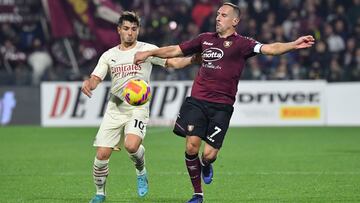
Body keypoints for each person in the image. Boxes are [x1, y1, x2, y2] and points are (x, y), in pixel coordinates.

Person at [134, 3, 315, 203]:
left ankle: (207, 164)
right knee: (191, 147)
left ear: (235, 21)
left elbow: (270, 49)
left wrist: (292, 45)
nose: (218, 17)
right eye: (218, 14)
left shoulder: (243, 44)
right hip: (197, 101)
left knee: (209, 155)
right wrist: (149, 53)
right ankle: (198, 194)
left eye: (224, 15)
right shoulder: (204, 39)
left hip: (222, 107)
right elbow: (176, 50)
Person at [82, 11, 195, 203]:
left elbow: (172, 62)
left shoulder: (147, 50)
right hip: (115, 107)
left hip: (138, 107)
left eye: (134, 29)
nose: (130, 33)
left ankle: (141, 170)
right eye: (126, 29)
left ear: (138, 30)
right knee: (102, 154)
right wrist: (89, 84)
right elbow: (96, 78)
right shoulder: (109, 55)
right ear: (119, 30)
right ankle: (100, 193)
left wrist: (193, 59)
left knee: (131, 145)